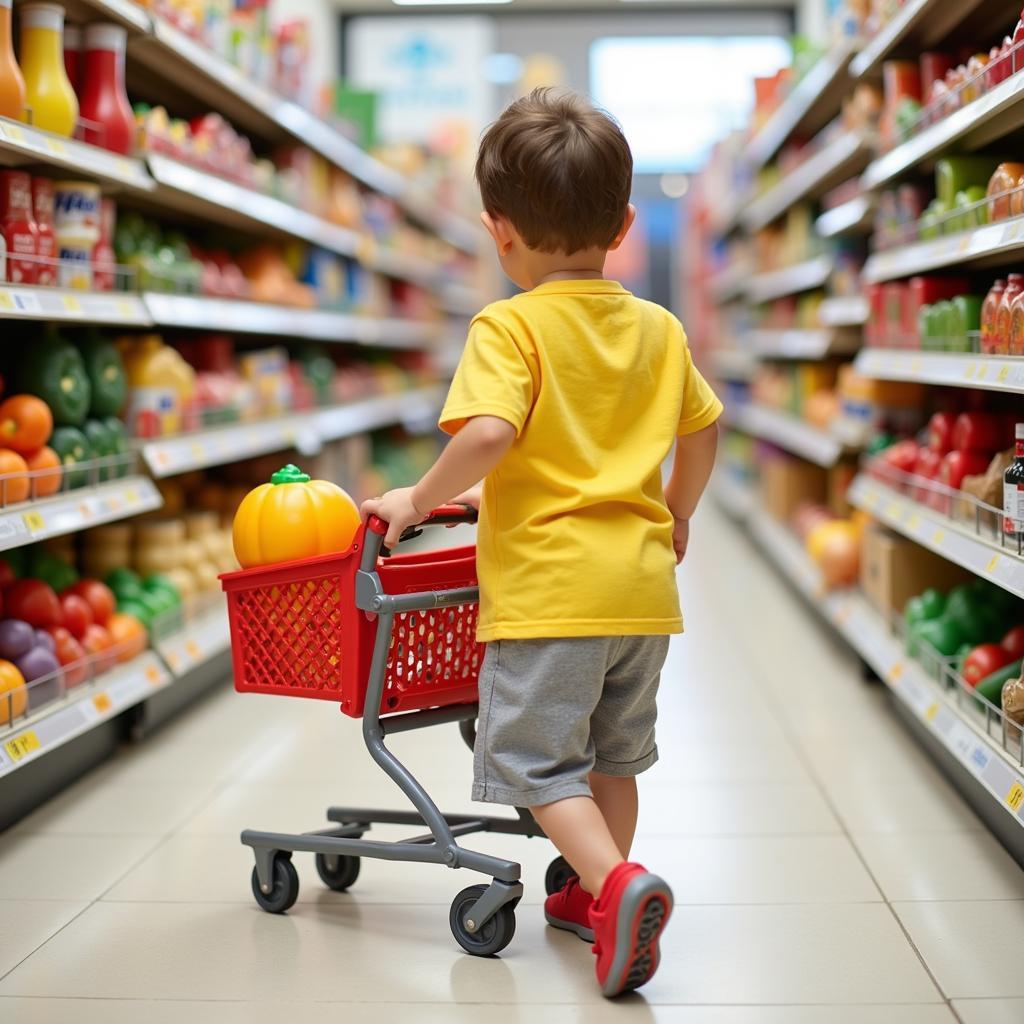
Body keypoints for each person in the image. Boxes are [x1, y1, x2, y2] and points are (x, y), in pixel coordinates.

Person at [361, 87, 722, 998]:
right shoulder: (659, 327)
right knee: (614, 757)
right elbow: (703, 431)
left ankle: (617, 884)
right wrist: (677, 511)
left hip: (550, 594)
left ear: (498, 231)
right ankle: (595, 903)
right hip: (641, 591)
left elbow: (488, 435)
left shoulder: (509, 324)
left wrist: (415, 495)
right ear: (627, 223)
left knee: (536, 763)